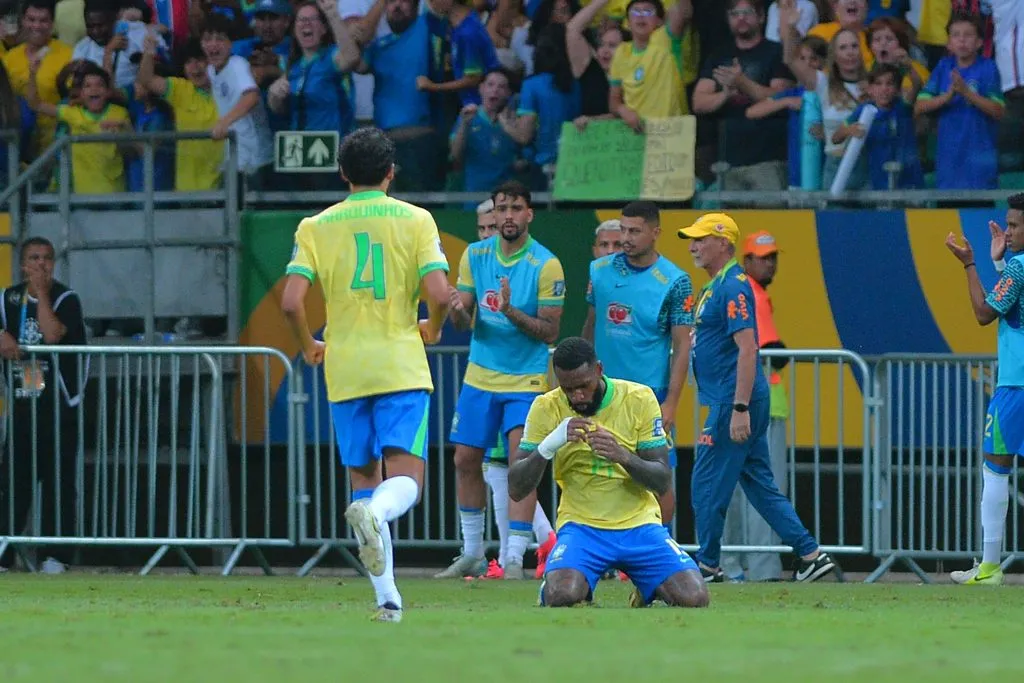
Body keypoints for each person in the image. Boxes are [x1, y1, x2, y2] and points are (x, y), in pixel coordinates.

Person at [280, 127, 450, 622]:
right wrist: (434, 326)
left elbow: (291, 302)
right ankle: (377, 514)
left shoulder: (315, 226)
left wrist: (308, 344)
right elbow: (440, 294)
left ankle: (388, 601)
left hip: (346, 365)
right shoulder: (416, 219)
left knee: (363, 477)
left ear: (343, 173)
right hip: (400, 362)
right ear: (391, 172)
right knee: (406, 480)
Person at [678, 212, 837, 583]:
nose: (693, 246)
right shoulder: (720, 285)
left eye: (701, 239)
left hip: (731, 399)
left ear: (724, 243)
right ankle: (811, 555)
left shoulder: (731, 286)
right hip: (734, 397)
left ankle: (707, 565)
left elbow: (749, 349)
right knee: (760, 485)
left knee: (706, 484)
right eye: (692, 240)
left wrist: (739, 407)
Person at [508, 336, 709, 608]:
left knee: (694, 597)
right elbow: (516, 488)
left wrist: (623, 456)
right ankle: (559, 582)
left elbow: (662, 480)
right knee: (562, 595)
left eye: (584, 386)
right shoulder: (546, 407)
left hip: (640, 525)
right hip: (581, 527)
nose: (577, 396)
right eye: (568, 389)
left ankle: (647, 588)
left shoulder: (639, 398)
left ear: (599, 370)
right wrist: (548, 446)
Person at [438, 179, 565, 580]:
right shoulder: (475, 255)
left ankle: (513, 558)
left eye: (515, 208)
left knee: (519, 464)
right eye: (501, 208)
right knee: (464, 459)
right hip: (480, 376)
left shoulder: (546, 264)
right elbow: (464, 321)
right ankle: (473, 552)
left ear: (529, 214)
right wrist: (457, 309)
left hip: (525, 379)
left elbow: (550, 332)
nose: (507, 216)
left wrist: (510, 311)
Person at [581, 201, 693, 535]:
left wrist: (671, 403)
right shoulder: (599, 271)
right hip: (603, 393)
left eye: (635, 231)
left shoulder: (675, 281)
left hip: (648, 396)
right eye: (623, 230)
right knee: (597, 477)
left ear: (655, 232)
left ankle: (660, 546)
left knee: (659, 480)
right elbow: (591, 324)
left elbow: (682, 346)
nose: (626, 238)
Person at [945, 193, 1024, 586]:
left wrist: (970, 264)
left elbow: (984, 312)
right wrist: (999, 264)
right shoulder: (1016, 267)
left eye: (1014, 225)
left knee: (995, 466)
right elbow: (1016, 307)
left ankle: (990, 567)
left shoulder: (1020, 267)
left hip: (1016, 385)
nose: (1007, 232)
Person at [0, 237, 87, 574]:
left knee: (58, 482)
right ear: (22, 264)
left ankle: (56, 556)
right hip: (23, 403)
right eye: (34, 258)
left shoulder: (66, 298)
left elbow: (52, 335)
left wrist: (41, 295)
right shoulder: (8, 298)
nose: (41, 264)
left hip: (58, 405)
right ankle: (4, 552)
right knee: (14, 481)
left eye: (47, 258)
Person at [721, 230, 790, 582]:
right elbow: (770, 352)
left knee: (734, 486)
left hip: (738, 402)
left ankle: (729, 565)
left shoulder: (736, 291)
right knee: (764, 487)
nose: (770, 264)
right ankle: (763, 569)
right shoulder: (751, 294)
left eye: (773, 257)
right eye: (763, 258)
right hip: (761, 405)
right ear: (746, 260)